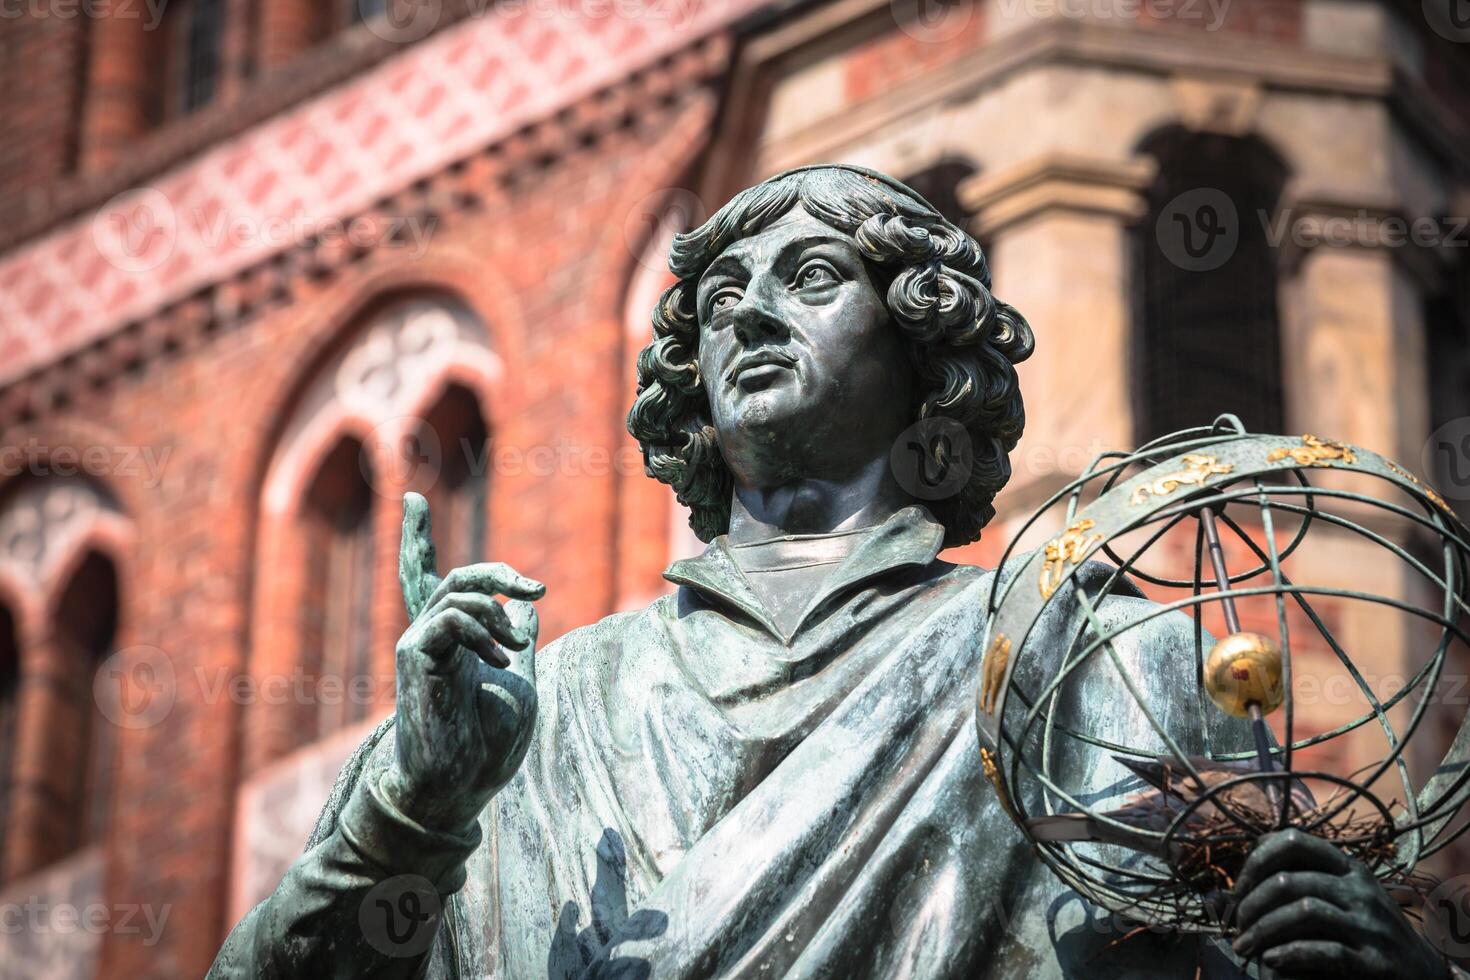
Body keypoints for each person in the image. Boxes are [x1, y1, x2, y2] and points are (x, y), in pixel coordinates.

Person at [208, 165, 1452, 979]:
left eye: (809, 280)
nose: (745, 317)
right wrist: (409, 813)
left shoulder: (1084, 656)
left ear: (923, 352)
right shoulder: (519, 714)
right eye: (719, 301)